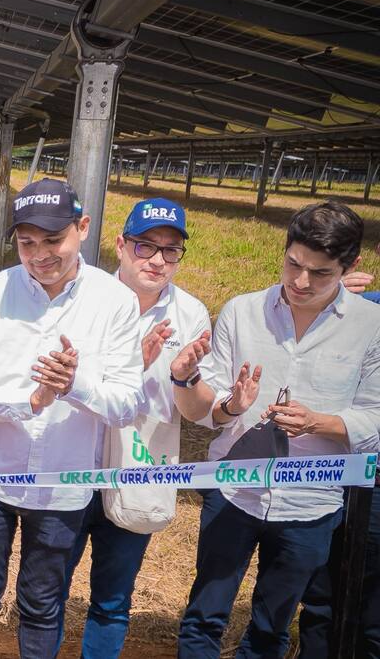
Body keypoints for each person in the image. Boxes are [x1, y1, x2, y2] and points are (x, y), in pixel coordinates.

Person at [173, 200, 380, 658]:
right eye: (293, 264)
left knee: (271, 627)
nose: (300, 282)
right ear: (284, 249)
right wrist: (227, 402)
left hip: (312, 502)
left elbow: (375, 416)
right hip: (234, 491)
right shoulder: (241, 312)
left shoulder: (371, 326)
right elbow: (212, 414)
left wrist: (319, 422)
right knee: (204, 616)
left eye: (321, 273)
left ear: (352, 266)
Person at [0, 178, 144, 658]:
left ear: (82, 228)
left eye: (52, 240)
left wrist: (73, 386)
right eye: (27, 242)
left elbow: (127, 403)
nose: (39, 254)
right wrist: (31, 401)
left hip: (63, 483)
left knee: (41, 602)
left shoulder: (114, 302)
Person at [52, 198, 211, 657]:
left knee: (113, 599)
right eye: (145, 246)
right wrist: (131, 366)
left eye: (171, 250)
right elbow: (63, 379)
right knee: (50, 592)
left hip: (137, 466)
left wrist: (184, 376)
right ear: (120, 246)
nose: (158, 260)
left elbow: (193, 408)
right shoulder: (84, 298)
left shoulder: (191, 315)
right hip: (75, 462)